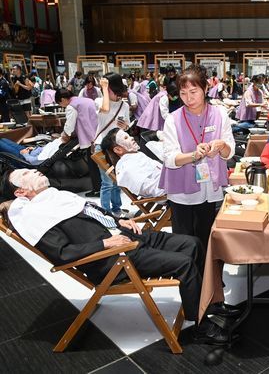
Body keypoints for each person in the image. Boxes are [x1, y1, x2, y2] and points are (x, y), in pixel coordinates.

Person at [1, 168, 236, 343]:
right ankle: (200, 326)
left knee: (193, 243)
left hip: (125, 237)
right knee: (184, 264)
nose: (35, 170)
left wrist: (118, 220)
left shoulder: (54, 197)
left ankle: (209, 304)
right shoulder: (36, 215)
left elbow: (90, 212)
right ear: (21, 191)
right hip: (111, 258)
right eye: (26, 173)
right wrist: (106, 243)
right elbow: (63, 253)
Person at [160, 65, 234, 249]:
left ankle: (206, 277)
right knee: (184, 241)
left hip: (209, 188)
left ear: (206, 88)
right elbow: (170, 158)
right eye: (183, 93)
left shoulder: (220, 114)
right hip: (181, 191)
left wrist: (221, 146)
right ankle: (188, 277)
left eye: (194, 91)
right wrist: (193, 155)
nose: (188, 98)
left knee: (206, 237)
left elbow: (229, 151)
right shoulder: (173, 119)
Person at [94, 73, 130, 217]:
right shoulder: (99, 101)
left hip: (118, 147)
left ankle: (116, 209)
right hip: (101, 146)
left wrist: (125, 126)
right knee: (107, 183)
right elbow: (106, 109)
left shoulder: (124, 105)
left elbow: (126, 125)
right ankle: (105, 212)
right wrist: (104, 88)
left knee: (117, 182)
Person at [55, 88, 101, 197]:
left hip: (89, 137)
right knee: (100, 163)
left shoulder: (71, 106)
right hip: (99, 133)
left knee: (93, 164)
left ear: (62, 99)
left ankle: (97, 189)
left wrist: (64, 135)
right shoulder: (88, 100)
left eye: (60, 103)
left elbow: (69, 126)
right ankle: (101, 187)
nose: (62, 106)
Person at [101, 128, 165, 198]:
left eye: (129, 136)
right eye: (126, 138)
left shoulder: (136, 155)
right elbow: (152, 189)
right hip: (169, 192)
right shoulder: (127, 167)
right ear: (118, 150)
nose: (132, 138)